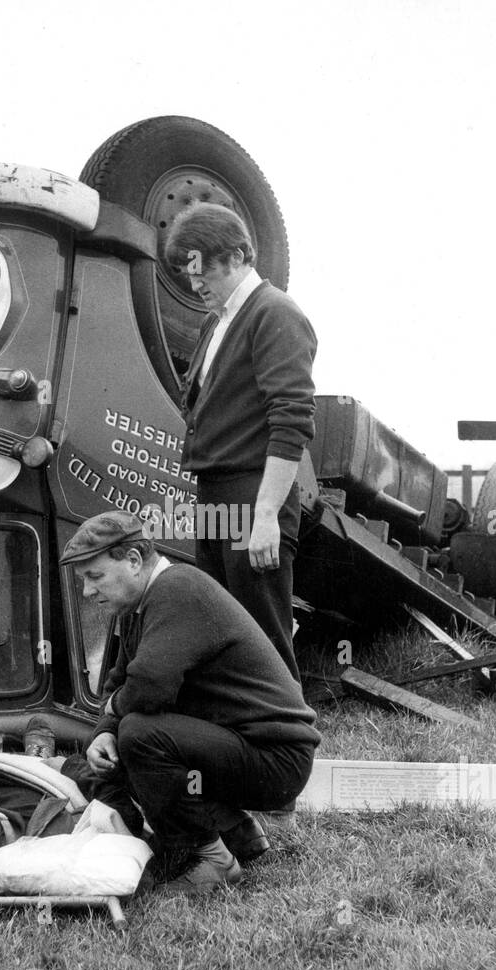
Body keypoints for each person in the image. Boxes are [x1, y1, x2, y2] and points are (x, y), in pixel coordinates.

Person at [61, 511, 321, 893]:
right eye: (84, 580)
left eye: (95, 576)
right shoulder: (141, 604)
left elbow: (149, 686)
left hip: (277, 758)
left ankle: (213, 858)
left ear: (133, 560)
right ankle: (235, 831)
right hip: (247, 747)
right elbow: (121, 681)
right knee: (124, 738)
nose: (87, 592)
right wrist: (102, 731)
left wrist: (114, 717)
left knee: (140, 735)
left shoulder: (177, 590)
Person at [165, 203, 317, 680]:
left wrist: (267, 515)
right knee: (221, 633)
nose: (195, 284)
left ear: (235, 256)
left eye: (202, 270)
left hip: (253, 497)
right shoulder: (218, 322)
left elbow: (290, 421)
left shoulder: (275, 313)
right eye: (188, 275)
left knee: (265, 639)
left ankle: (290, 745)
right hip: (216, 496)